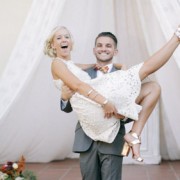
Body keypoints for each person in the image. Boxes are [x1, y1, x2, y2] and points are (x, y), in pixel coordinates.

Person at [44, 26, 180, 179]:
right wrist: (64, 97)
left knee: (153, 86)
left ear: (115, 52)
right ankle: (176, 37)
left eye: (66, 36)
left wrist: (120, 68)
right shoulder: (69, 69)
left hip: (112, 135)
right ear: (94, 50)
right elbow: (73, 99)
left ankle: (134, 134)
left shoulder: (88, 69)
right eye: (59, 37)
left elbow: (126, 111)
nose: (103, 49)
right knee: (145, 70)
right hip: (87, 136)